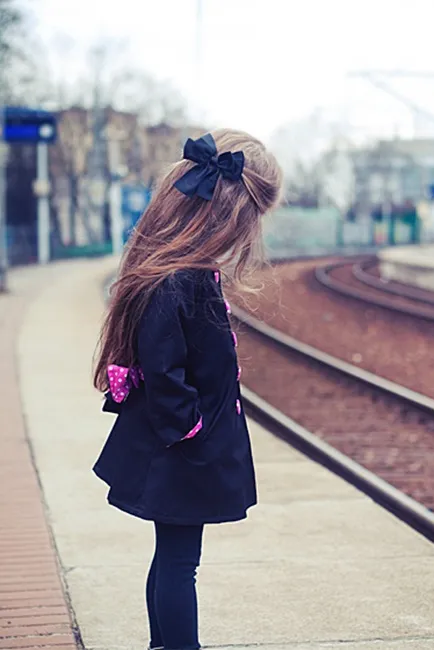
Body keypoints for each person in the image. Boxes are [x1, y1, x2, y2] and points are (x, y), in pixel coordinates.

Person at [92, 129, 283, 650]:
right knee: (180, 564)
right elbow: (164, 366)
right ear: (229, 213)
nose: (252, 232)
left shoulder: (187, 275)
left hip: (180, 449)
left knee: (172, 557)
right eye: (252, 218)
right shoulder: (181, 280)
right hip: (182, 452)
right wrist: (192, 429)